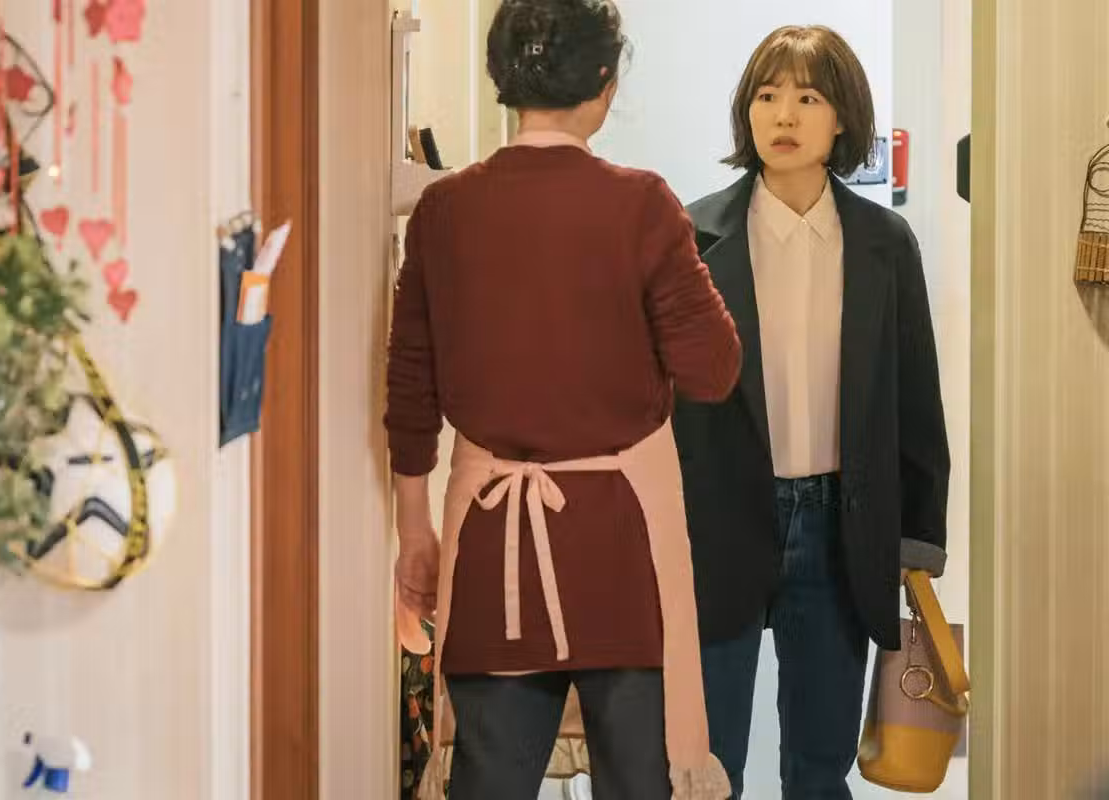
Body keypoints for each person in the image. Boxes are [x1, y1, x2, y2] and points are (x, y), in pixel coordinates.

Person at [385, 2, 741, 798]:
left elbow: (410, 387)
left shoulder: (444, 210)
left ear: (502, 79)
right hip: (622, 541)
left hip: (490, 537)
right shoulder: (642, 204)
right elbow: (713, 369)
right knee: (640, 778)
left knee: (489, 779)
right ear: (605, 84)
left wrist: (414, 530)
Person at [674, 25, 950, 799]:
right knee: (704, 763)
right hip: (719, 518)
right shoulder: (691, 235)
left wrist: (919, 537)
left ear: (842, 118)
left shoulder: (884, 243)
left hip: (838, 525)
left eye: (807, 97)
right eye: (767, 96)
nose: (784, 115)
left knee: (821, 763)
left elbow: (914, 397)